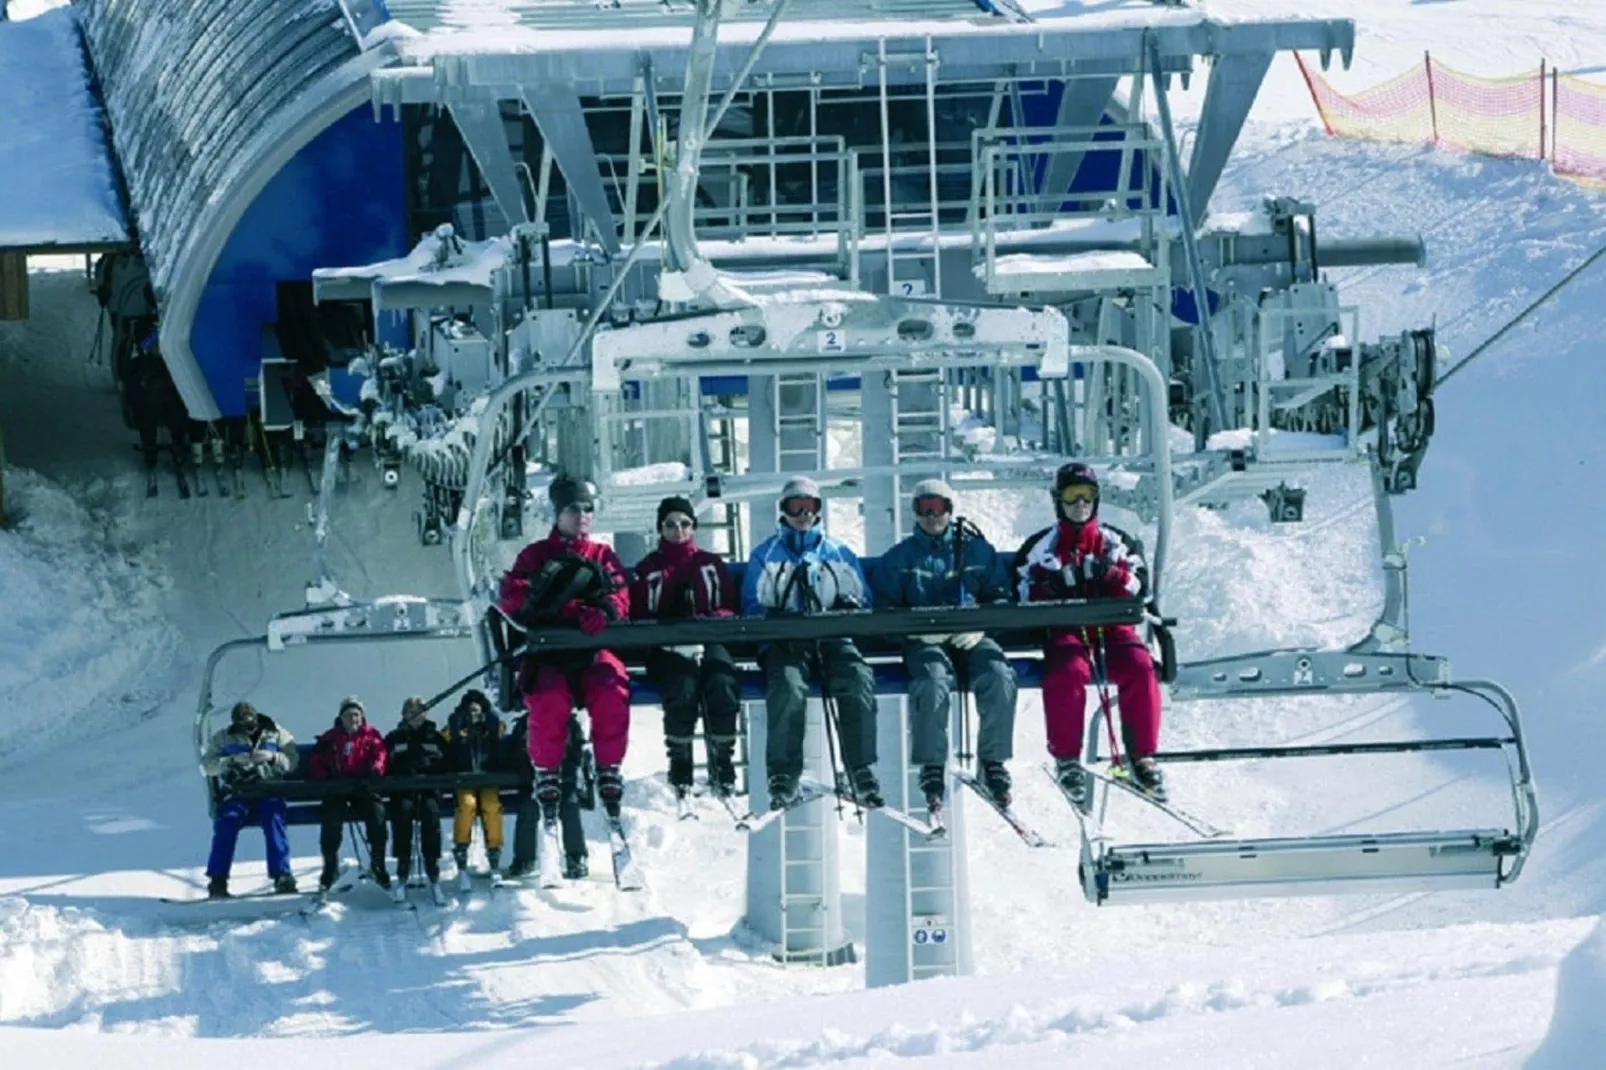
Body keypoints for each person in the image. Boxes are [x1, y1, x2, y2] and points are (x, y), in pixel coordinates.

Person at [1014, 462, 1165, 804]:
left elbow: (1141, 586)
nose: (1079, 504)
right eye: (1071, 496)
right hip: (1067, 629)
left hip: (1113, 627)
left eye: (1087, 496)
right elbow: (1019, 588)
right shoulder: (1043, 546)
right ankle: (1067, 759)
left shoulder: (1114, 542)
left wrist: (1112, 576)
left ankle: (1143, 756)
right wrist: (1050, 587)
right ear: (1058, 500)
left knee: (1140, 666)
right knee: (1068, 672)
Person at [871, 479, 1018, 809]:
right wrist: (913, 632)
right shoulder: (901, 558)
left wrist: (982, 626)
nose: (931, 516)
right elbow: (884, 609)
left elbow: (1001, 597)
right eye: (923, 509)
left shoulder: (976, 551)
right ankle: (932, 764)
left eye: (938, 507)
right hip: (925, 640)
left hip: (972, 635)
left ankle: (993, 761)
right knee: (932, 679)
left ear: (950, 510)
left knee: (998, 674)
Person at [741, 476, 881, 810]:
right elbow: (750, 602)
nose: (803, 514)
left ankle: (860, 767)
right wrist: (775, 617)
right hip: (786, 641)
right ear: (783, 510)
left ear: (819, 510)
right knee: (787, 686)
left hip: (831, 637)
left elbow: (864, 597)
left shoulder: (837, 552)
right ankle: (783, 773)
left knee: (856, 678)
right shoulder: (767, 554)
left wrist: (848, 607)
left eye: (810, 507)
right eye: (795, 507)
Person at [497, 475, 632, 819]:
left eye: (588, 508)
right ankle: (546, 769)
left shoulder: (602, 555)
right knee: (547, 700)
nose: (583, 515)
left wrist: (605, 611)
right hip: (549, 653)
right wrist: (559, 609)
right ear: (558, 513)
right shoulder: (536, 555)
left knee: (611, 688)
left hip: (591, 650)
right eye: (574, 508)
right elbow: (513, 597)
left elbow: (621, 592)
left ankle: (608, 766)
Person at [629, 495, 742, 799]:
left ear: (694, 528)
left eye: (685, 524)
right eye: (670, 525)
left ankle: (722, 758)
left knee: (721, 680)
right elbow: (638, 614)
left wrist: (711, 620)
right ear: (660, 529)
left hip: (708, 639)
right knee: (682, 685)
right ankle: (680, 759)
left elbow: (730, 605)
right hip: (666, 646)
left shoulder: (710, 565)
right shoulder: (649, 569)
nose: (678, 531)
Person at [200, 701, 298, 898]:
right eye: (242, 727)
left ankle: (282, 875)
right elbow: (207, 765)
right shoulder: (224, 737)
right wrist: (230, 761)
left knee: (273, 817)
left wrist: (272, 757)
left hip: (268, 789)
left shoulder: (275, 732)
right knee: (227, 820)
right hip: (239, 791)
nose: (248, 730)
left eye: (251, 726)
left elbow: (292, 761)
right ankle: (218, 879)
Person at [308, 696, 391, 891]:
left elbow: (380, 754)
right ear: (341, 717)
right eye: (348, 715)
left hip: (362, 787)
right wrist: (324, 775)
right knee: (331, 819)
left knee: (377, 814)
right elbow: (316, 760)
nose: (353, 719)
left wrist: (374, 771)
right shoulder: (330, 737)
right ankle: (330, 866)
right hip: (338, 788)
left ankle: (378, 863)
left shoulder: (371, 735)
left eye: (356, 715)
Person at [506, 713, 591, 880]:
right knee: (528, 808)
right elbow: (515, 754)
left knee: (570, 807)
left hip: (563, 780)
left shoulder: (569, 722)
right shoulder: (525, 724)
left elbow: (576, 755)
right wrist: (530, 770)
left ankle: (576, 857)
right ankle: (525, 859)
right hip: (534, 780)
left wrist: (566, 773)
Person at [384, 696, 448, 903]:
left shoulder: (434, 736)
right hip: (403, 791)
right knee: (402, 814)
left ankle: (432, 867)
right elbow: (386, 764)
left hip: (428, 790)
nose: (415, 715)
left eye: (419, 710)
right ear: (403, 714)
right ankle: (403, 866)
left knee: (430, 815)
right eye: (410, 711)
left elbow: (447, 762)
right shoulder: (395, 737)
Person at [444, 688, 506, 888]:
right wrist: (456, 724)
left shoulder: (491, 729)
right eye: (470, 711)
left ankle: (494, 852)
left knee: (492, 806)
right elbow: (444, 740)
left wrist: (491, 716)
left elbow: (501, 733)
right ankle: (461, 850)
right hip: (465, 780)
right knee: (467, 805)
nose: (474, 715)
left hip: (488, 778)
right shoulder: (456, 730)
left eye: (478, 711)